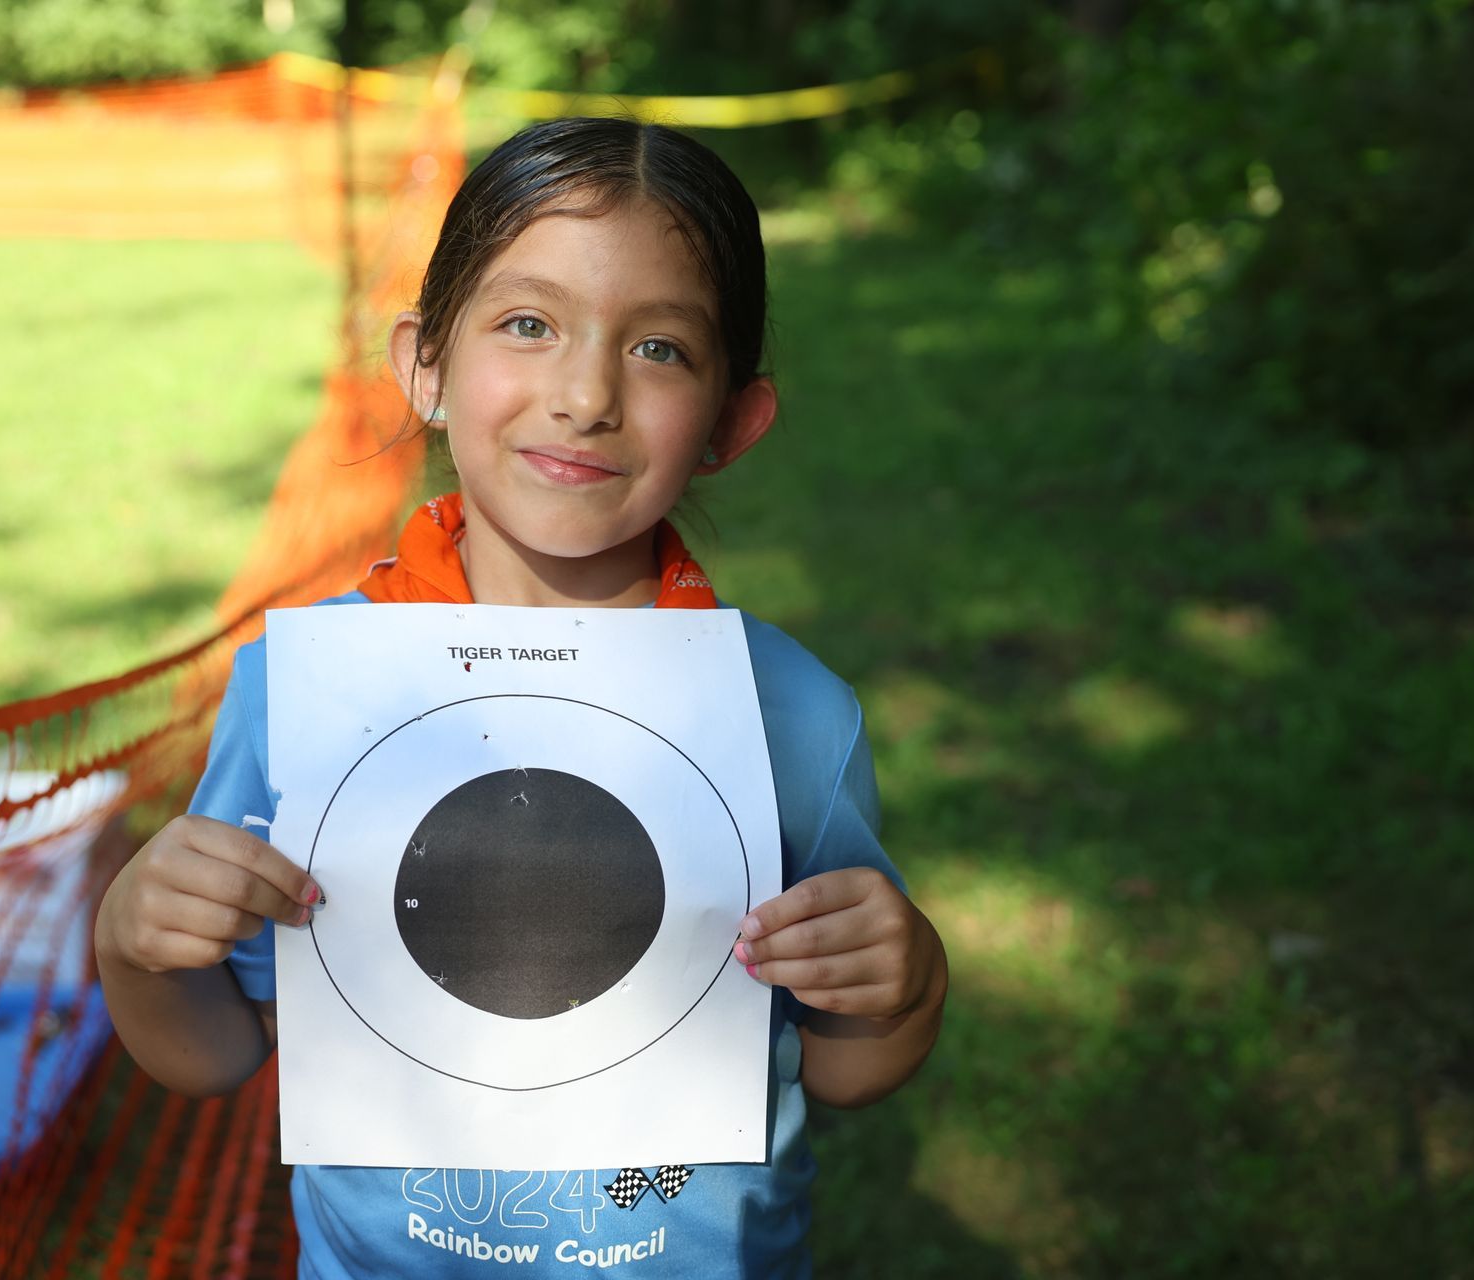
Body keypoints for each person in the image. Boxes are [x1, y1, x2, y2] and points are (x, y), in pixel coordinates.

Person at [95, 116, 948, 1277]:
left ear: (732, 423)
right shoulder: (302, 692)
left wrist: (907, 981)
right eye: (530, 324)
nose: (586, 392)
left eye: (659, 349)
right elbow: (218, 1051)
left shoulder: (790, 714)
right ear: (425, 366)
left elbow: (848, 1063)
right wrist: (138, 948)